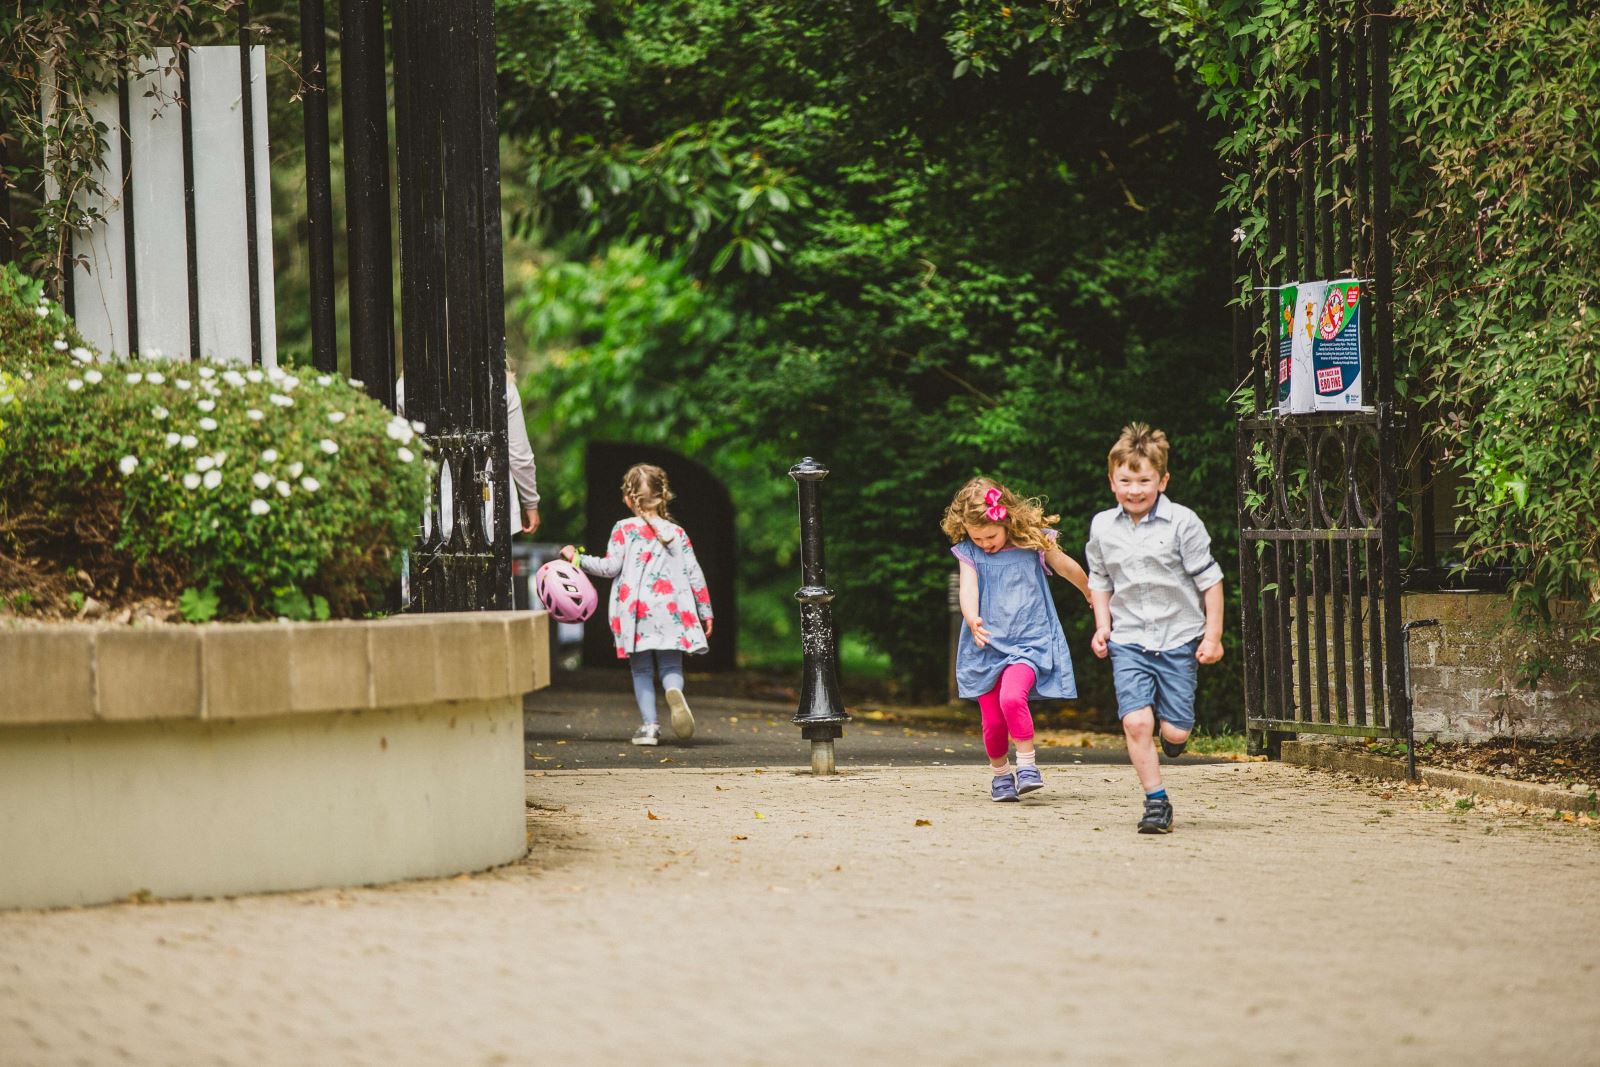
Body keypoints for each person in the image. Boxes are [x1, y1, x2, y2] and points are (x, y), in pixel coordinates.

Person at [1085, 423, 1224, 835]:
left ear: (1162, 480)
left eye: (1144, 480)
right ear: (1112, 482)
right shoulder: (1102, 527)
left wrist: (1212, 635)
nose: (1134, 489)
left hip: (1179, 637)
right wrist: (1102, 626)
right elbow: (1100, 580)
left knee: (1175, 729)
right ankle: (1156, 801)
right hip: (1129, 640)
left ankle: (1175, 737)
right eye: (1125, 480)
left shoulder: (1183, 523)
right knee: (1136, 723)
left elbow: (1210, 581)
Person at [942, 478, 1090, 802]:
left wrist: (1091, 591)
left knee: (1012, 698)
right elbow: (968, 588)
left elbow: (1065, 567)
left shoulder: (1033, 542)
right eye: (976, 537)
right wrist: (971, 616)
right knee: (993, 722)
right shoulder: (969, 552)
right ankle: (1000, 775)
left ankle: (1027, 766)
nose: (984, 544)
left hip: (1029, 641)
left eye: (990, 536)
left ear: (1006, 519)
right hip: (986, 646)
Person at [562, 464, 713, 747]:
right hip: (672, 610)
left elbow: (609, 568)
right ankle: (673, 691)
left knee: (641, 669)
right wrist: (705, 611)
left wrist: (576, 559)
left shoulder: (623, 529)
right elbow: (694, 573)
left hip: (636, 613)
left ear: (628, 499)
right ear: (663, 495)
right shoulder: (677, 533)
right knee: (670, 665)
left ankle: (649, 727)